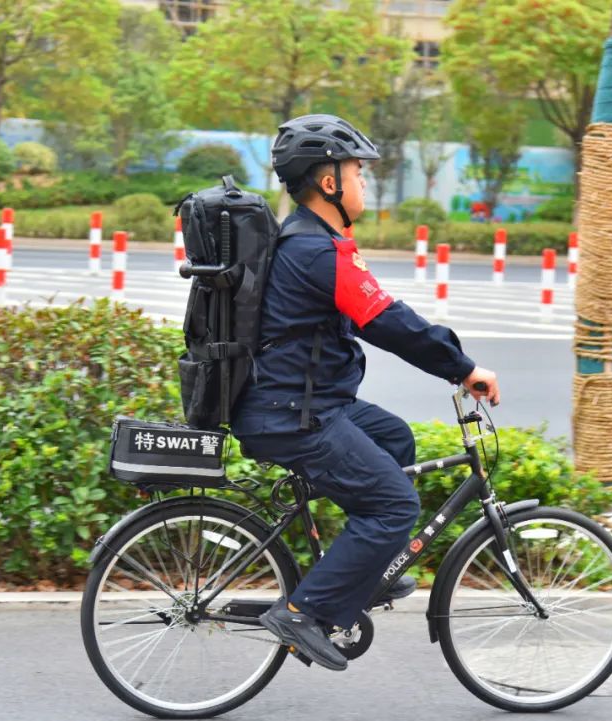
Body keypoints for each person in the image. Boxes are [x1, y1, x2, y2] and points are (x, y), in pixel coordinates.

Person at [234, 114, 500, 671]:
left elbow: (376, 317)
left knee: (395, 439)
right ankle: (303, 612)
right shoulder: (317, 251)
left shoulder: (313, 240)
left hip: (300, 402)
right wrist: (462, 368)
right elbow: (387, 322)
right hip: (292, 413)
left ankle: (364, 569)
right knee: (394, 504)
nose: (364, 183)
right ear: (329, 182)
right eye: (358, 172)